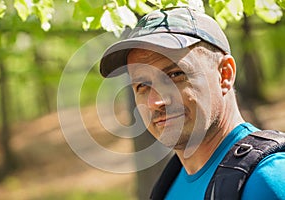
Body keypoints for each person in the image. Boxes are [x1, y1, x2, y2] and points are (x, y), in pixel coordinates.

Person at [99, 7, 285, 200]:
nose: (156, 101)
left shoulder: (268, 180)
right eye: (143, 85)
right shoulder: (169, 185)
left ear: (224, 75)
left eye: (175, 75)